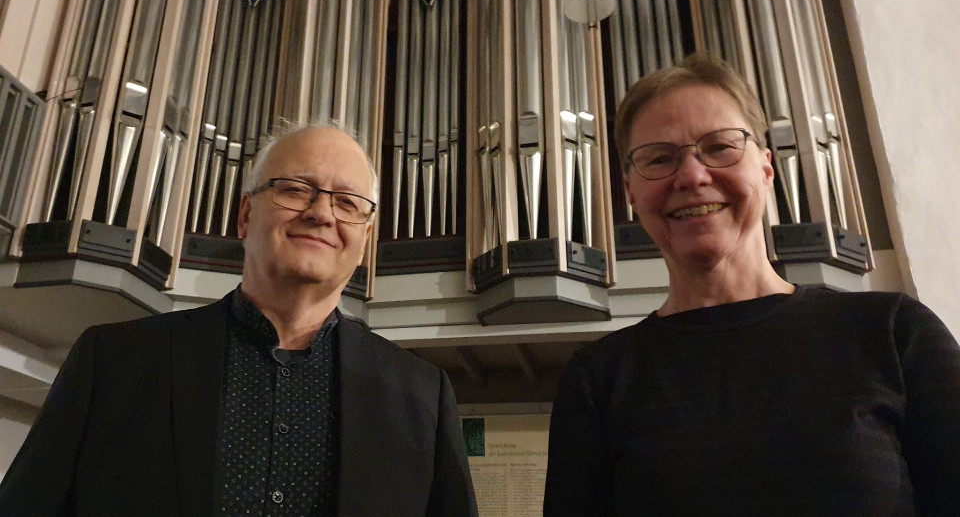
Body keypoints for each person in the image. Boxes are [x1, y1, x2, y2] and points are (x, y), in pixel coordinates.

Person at [543, 55, 960, 515]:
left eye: (719, 147)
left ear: (765, 169)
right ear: (631, 194)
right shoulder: (599, 380)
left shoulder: (895, 334)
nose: (692, 175)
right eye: (660, 158)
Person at [0, 123, 478, 516]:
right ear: (246, 214)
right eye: (295, 190)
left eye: (347, 203)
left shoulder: (423, 396)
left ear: (365, 242)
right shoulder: (113, 361)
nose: (321, 213)